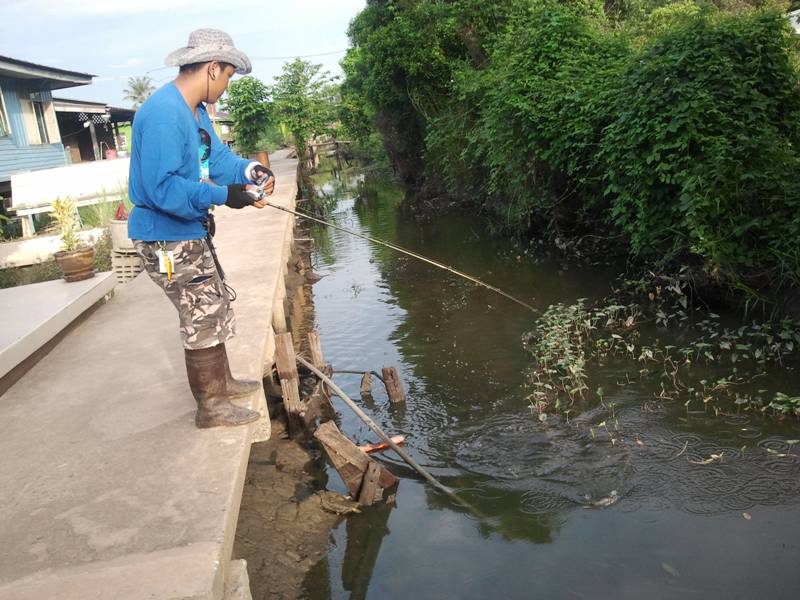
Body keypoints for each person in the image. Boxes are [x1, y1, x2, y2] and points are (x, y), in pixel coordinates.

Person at [128, 29, 275, 429]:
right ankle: (211, 407)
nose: (226, 87)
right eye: (227, 76)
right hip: (164, 236)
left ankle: (222, 384)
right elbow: (162, 189)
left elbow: (217, 158)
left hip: (187, 231)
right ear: (212, 69)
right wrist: (223, 196)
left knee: (213, 303)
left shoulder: (193, 112)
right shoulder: (162, 114)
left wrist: (249, 171)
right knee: (201, 313)